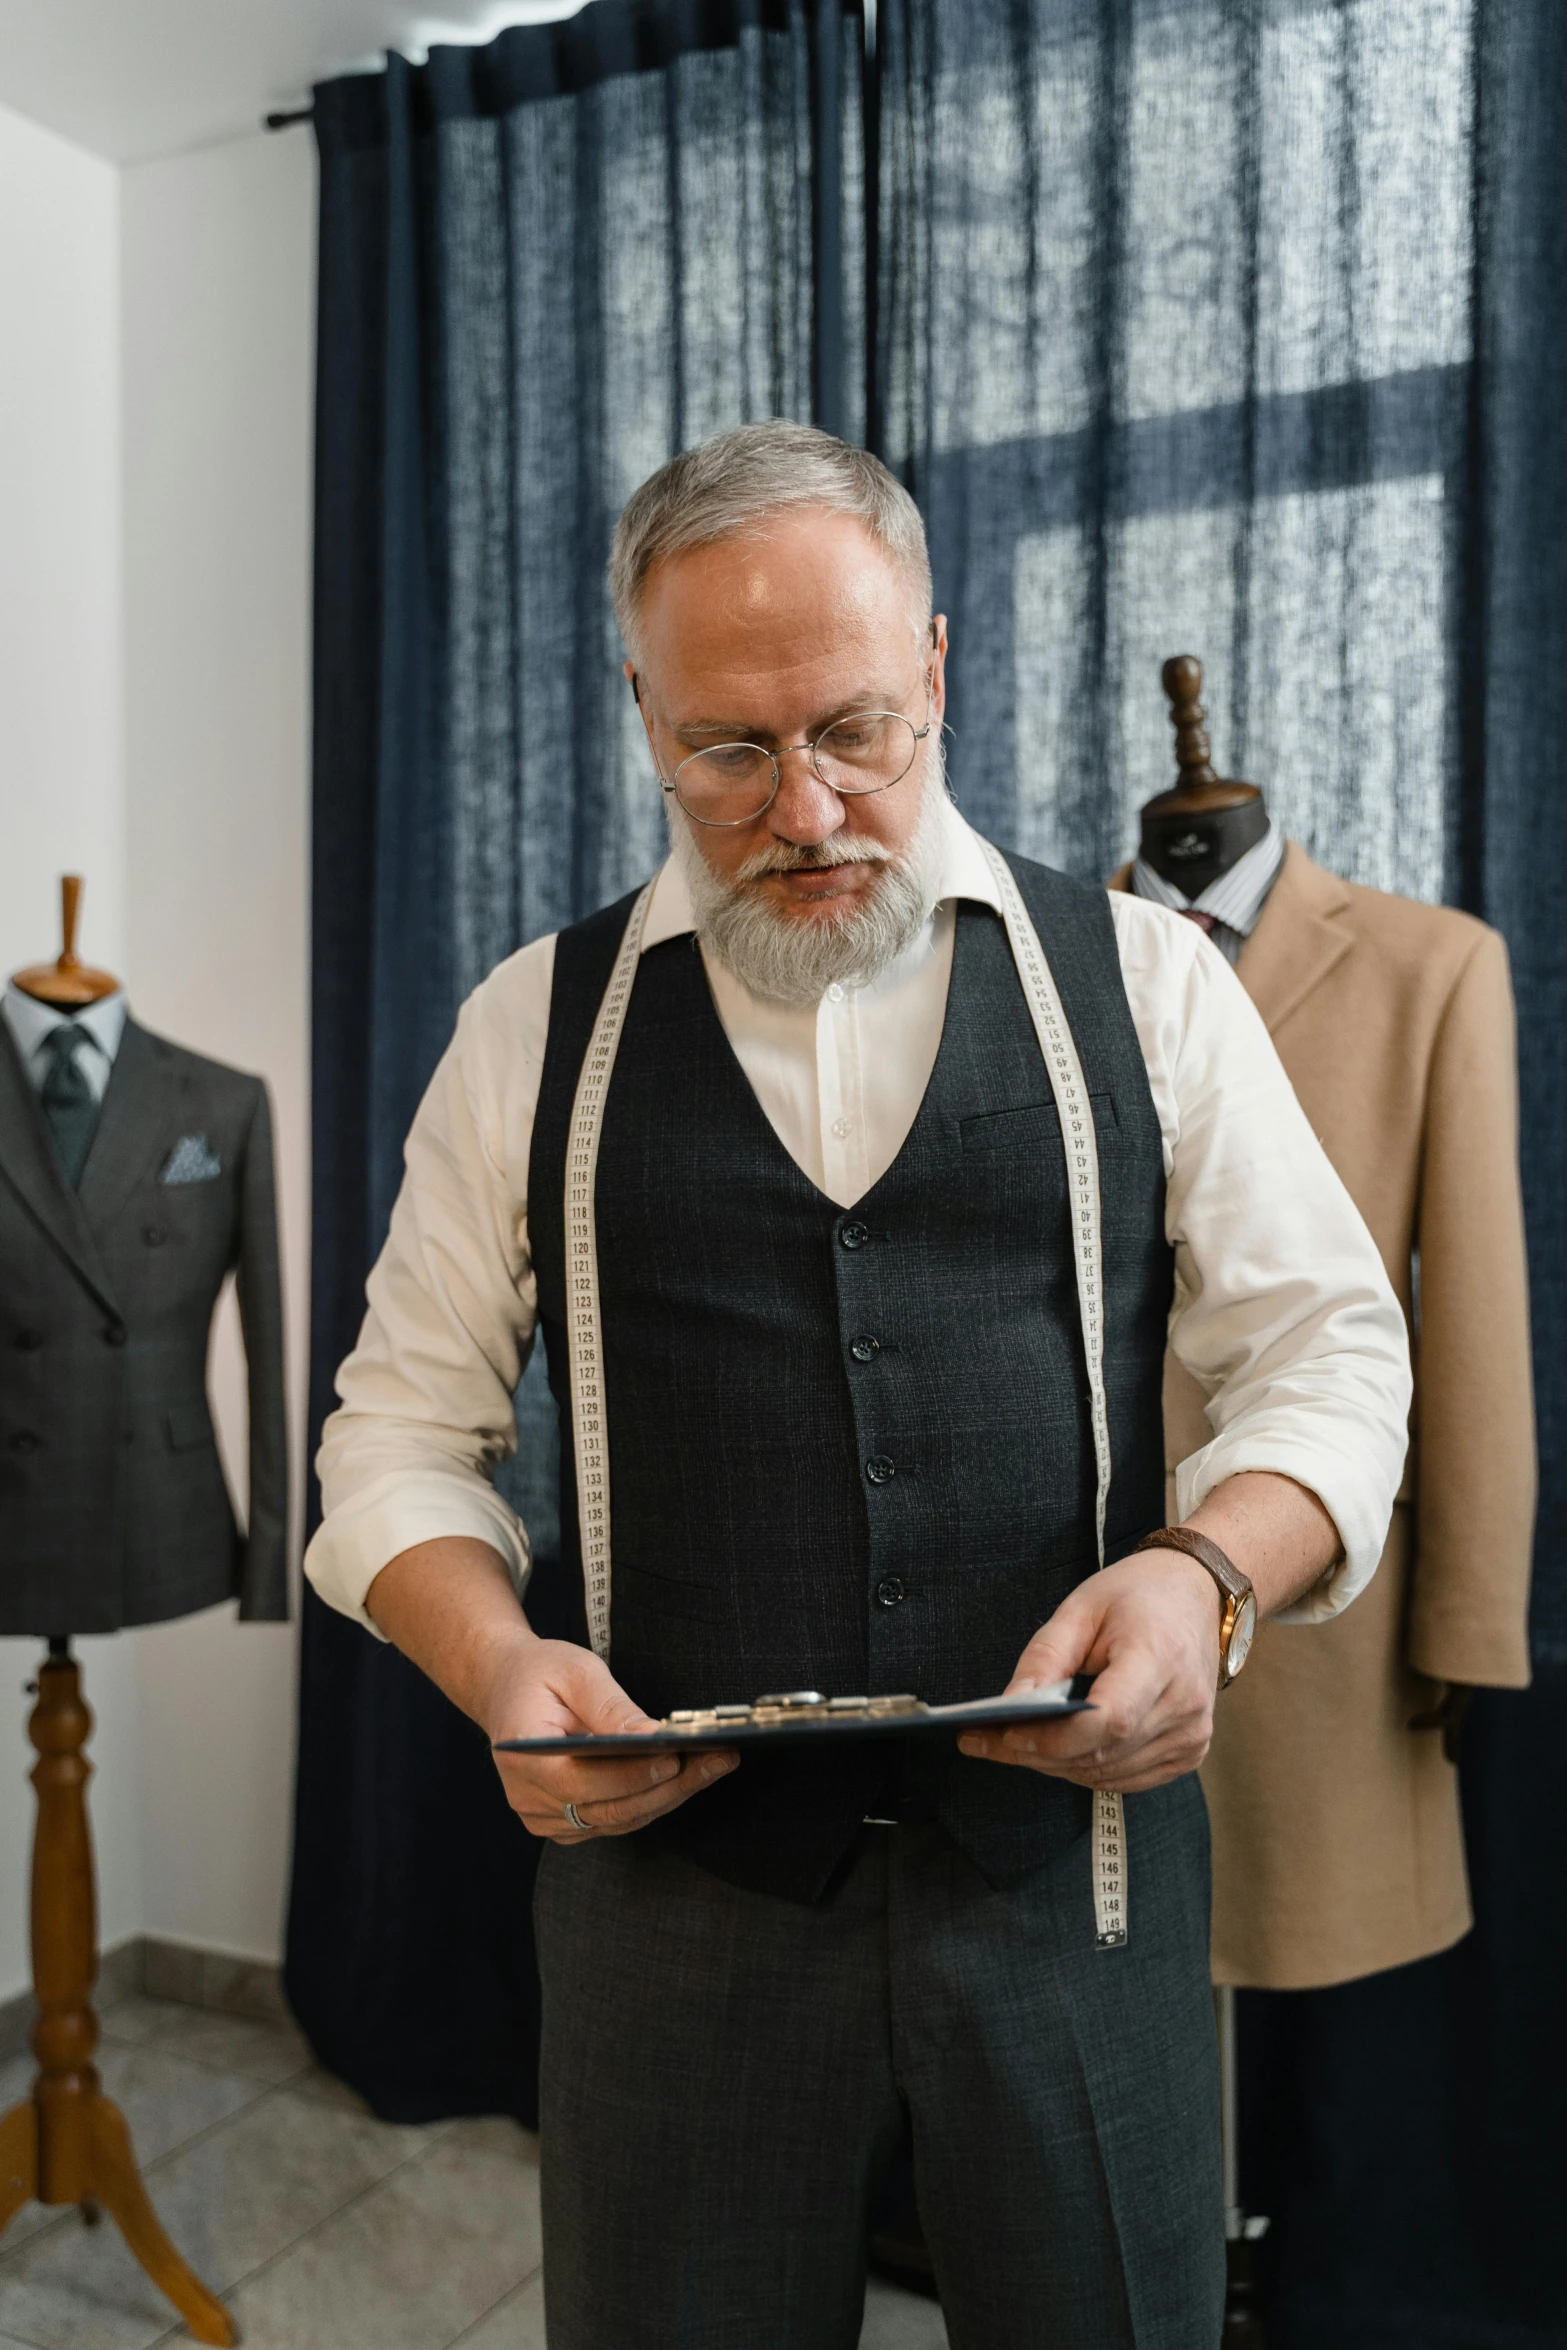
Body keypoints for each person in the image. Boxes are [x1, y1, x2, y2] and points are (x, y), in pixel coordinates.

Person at [305, 421, 1411, 2350]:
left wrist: (1205, 1576)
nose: (804, 808)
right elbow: (395, 1437)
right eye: (726, 751)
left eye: (854, 731)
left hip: (1077, 1902)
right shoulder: (524, 1029)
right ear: (639, 704)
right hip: (671, 1921)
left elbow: (1332, 1347)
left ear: (941, 675)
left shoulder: (1146, 985)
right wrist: (492, 1663)